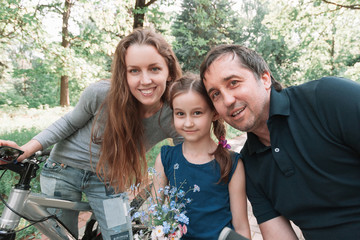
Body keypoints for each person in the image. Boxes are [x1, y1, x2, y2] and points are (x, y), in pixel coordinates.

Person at [0, 28, 183, 240]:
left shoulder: (174, 113)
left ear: (168, 71)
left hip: (110, 180)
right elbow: (67, 123)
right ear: (123, 73)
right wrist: (26, 149)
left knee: (120, 236)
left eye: (154, 69)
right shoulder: (101, 94)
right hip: (62, 170)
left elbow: (185, 155)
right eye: (134, 70)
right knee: (63, 236)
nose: (145, 80)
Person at [199, 44, 360, 239]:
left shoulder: (328, 98)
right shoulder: (249, 164)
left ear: (265, 79)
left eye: (233, 83)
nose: (227, 100)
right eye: (215, 94)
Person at [153, 74, 251, 240]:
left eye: (197, 113)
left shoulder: (232, 163)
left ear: (214, 113)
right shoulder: (165, 159)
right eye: (180, 114)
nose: (188, 123)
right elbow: (155, 218)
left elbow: (241, 228)